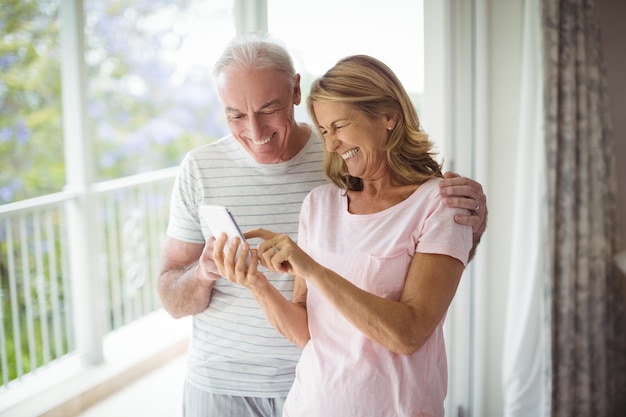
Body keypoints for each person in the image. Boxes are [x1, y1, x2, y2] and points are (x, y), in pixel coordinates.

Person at [158, 33, 488, 417]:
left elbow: (411, 327)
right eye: (235, 114)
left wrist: (472, 225)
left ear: (295, 90)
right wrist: (235, 277)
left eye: (268, 108)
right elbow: (306, 330)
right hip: (259, 390)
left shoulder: (387, 183)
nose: (255, 129)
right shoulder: (312, 198)